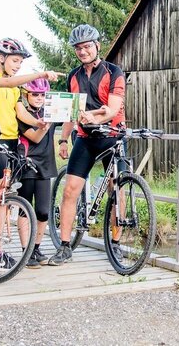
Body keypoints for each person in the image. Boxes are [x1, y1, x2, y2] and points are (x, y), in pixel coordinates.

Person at [0, 37, 61, 270]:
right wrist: (40, 75)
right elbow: (6, 83)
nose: (17, 66)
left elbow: (20, 114)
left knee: (4, 201)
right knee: (0, 201)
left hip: (11, 144)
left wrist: (39, 124)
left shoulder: (14, 86)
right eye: (15, 61)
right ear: (1, 57)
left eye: (20, 63)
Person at [50, 24, 126, 266]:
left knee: (118, 189)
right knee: (70, 189)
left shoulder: (114, 72)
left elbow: (112, 109)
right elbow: (70, 112)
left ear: (97, 46)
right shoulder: (73, 76)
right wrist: (63, 139)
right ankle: (64, 246)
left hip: (112, 135)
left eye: (86, 47)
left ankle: (116, 243)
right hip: (84, 138)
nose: (82, 51)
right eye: (78, 48)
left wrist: (96, 116)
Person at [17, 77, 58, 268]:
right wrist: (45, 125)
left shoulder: (49, 110)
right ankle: (26, 250)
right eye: (35, 94)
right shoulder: (22, 114)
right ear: (27, 95)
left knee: (43, 211)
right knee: (25, 209)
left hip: (46, 163)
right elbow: (33, 137)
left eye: (42, 94)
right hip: (28, 164)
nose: (39, 98)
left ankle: (36, 247)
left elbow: (69, 120)